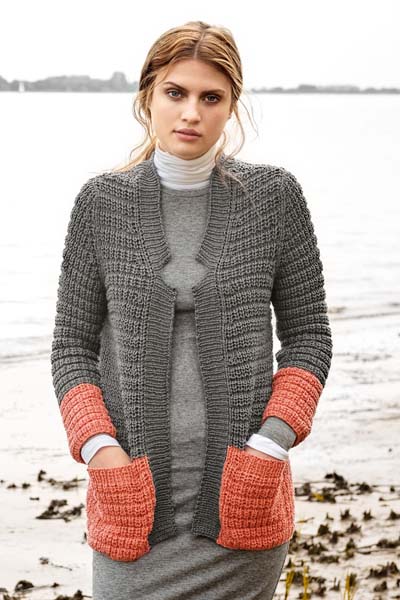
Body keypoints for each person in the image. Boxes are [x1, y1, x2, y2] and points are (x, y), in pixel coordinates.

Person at [51, 20, 333, 600]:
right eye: (175, 92)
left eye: (211, 98)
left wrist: (271, 443)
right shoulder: (101, 203)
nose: (191, 113)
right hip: (132, 503)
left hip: (243, 500)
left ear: (231, 106)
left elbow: (309, 337)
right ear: (147, 96)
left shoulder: (274, 198)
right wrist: (99, 448)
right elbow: (71, 347)